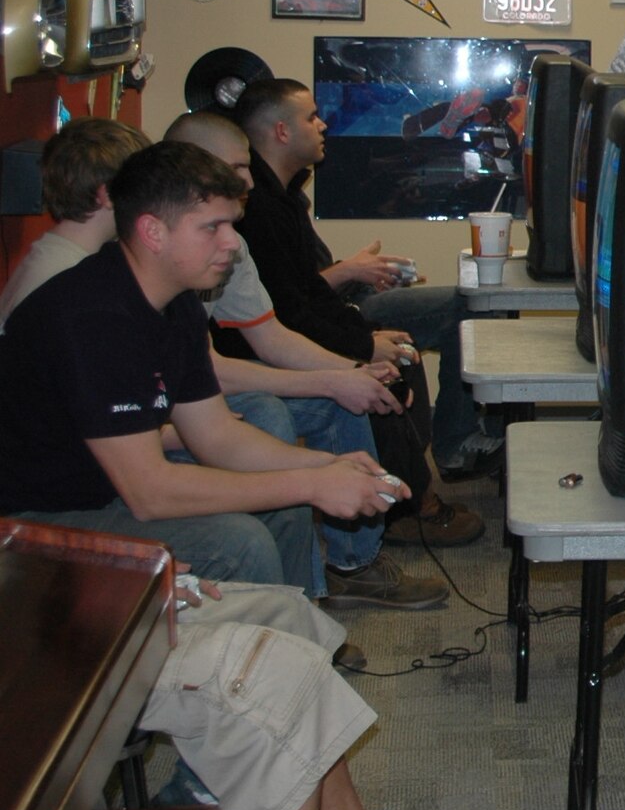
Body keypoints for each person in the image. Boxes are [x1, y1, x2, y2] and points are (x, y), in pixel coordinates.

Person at [0, 142, 406, 587]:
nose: (232, 242)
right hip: (32, 517)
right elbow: (150, 494)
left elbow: (218, 436)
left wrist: (323, 467)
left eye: (231, 225)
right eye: (212, 227)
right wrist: (313, 485)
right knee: (237, 542)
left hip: (102, 490)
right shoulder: (91, 318)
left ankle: (291, 646)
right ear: (153, 232)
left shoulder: (176, 304)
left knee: (286, 508)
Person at [164, 112, 460, 601]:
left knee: (340, 397)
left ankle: (352, 562)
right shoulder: (143, 279)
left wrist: (350, 374)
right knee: (271, 415)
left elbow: (272, 335)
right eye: (236, 170)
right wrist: (313, 471)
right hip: (188, 412)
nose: (246, 183)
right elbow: (211, 373)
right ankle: (302, 598)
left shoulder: (227, 242)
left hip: (203, 397)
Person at [139, 559, 467, 810]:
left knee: (287, 616)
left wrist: (129, 566)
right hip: (76, 650)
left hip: (108, 602)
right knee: (268, 674)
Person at [229, 78, 496, 507]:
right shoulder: (258, 208)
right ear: (281, 131)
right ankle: (408, 504)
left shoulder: (285, 198)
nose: (323, 126)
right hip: (275, 348)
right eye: (311, 117)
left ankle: (418, 487)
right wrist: (362, 345)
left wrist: (365, 334)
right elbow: (291, 313)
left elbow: (307, 294)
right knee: (396, 359)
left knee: (399, 349)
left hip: (318, 319)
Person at [0, 117, 151, 324]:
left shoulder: (64, 256)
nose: (150, 200)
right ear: (107, 194)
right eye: (141, 187)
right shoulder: (67, 277)